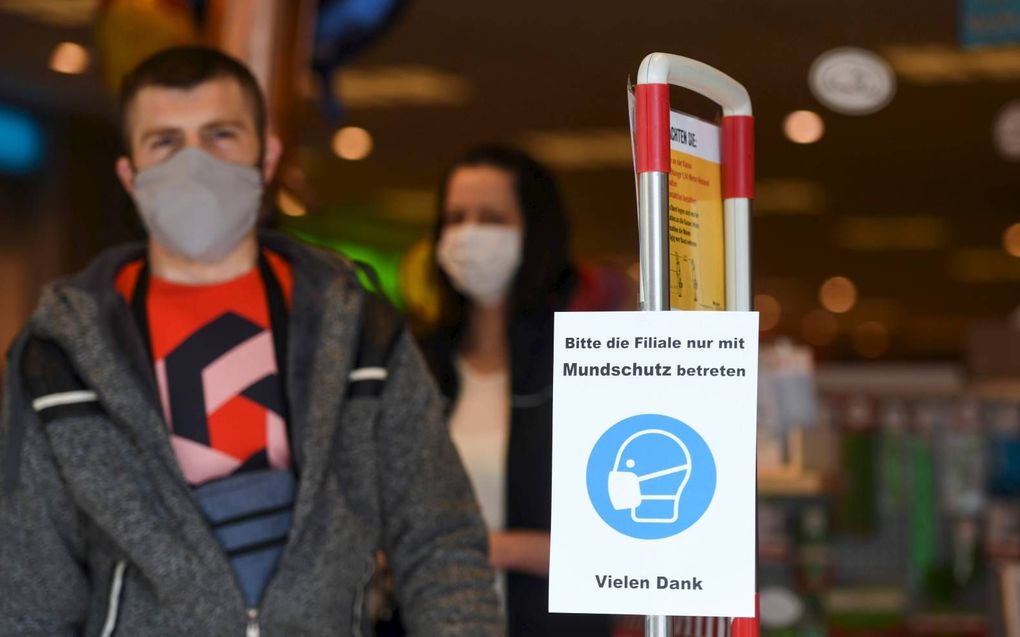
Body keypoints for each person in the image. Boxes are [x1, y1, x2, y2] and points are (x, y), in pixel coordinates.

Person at [0, 46, 501, 637]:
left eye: (220, 135)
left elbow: (440, 540)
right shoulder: (61, 354)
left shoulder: (361, 331)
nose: (193, 162)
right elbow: (29, 583)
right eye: (164, 141)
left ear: (267, 158)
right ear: (130, 176)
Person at [418, 145, 616, 636]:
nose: (469, 234)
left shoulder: (589, 368)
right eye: (455, 217)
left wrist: (489, 548)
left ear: (536, 232)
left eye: (492, 218)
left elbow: (626, 547)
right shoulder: (416, 365)